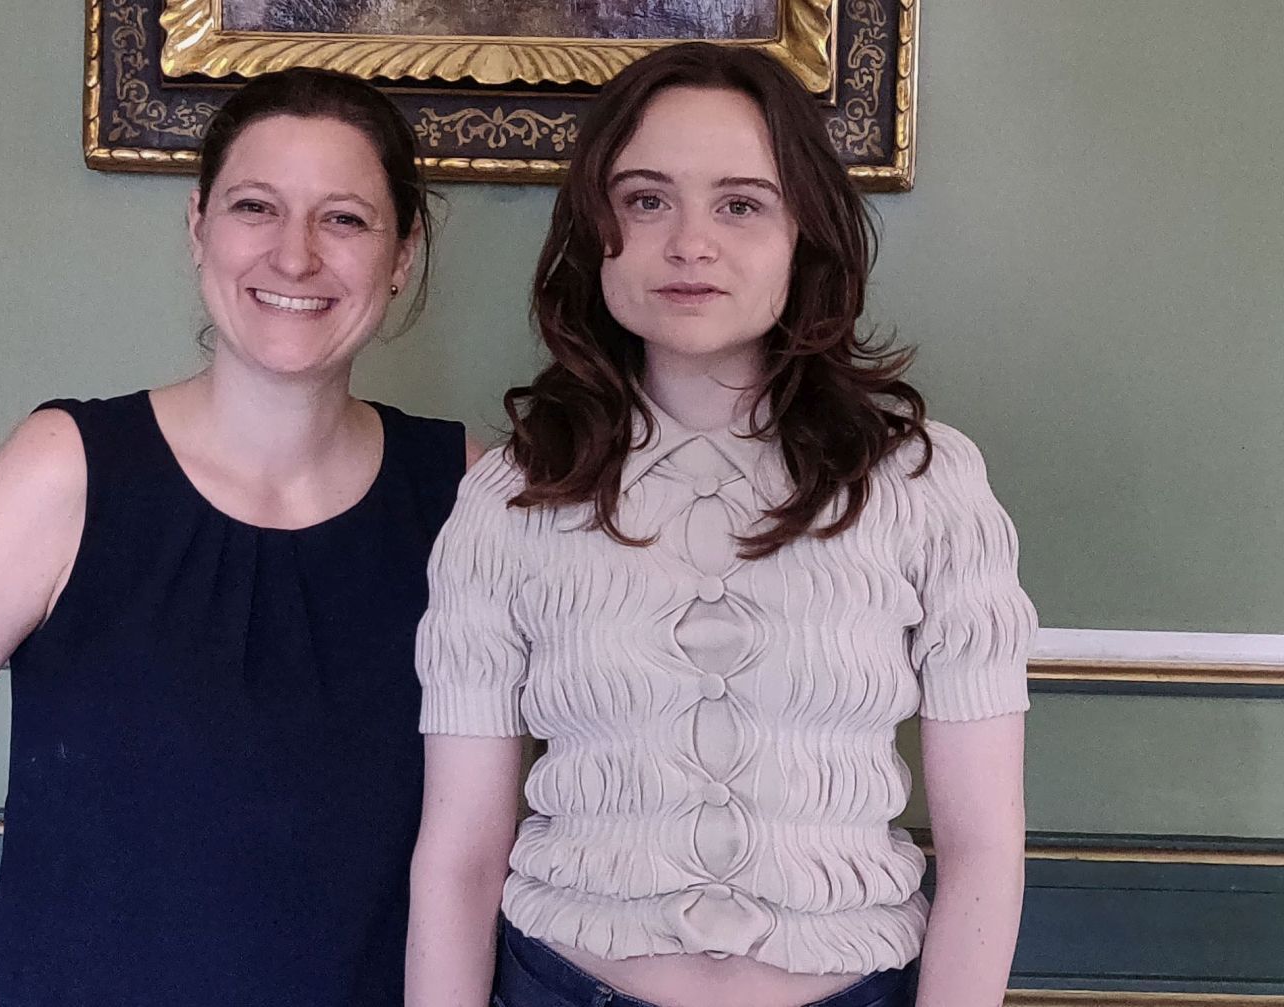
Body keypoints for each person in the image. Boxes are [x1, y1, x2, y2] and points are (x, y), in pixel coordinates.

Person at [0, 67, 473, 1007]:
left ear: (403, 252)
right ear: (198, 226)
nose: (294, 255)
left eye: (346, 219)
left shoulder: (474, 495)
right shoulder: (67, 470)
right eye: (255, 207)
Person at [407, 42, 1036, 1007]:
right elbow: (459, 852)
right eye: (646, 199)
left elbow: (984, 843)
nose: (690, 242)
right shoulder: (512, 498)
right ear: (596, 232)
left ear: (804, 235)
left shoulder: (926, 484)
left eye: (740, 202)